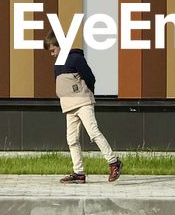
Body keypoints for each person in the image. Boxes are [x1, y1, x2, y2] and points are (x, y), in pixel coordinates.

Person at [45, 31, 123, 184]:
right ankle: (79, 172)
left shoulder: (76, 58)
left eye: (53, 50)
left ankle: (114, 162)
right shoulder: (57, 66)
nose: (52, 54)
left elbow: (90, 77)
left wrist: (87, 94)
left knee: (93, 132)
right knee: (71, 139)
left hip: (83, 102)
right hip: (68, 106)